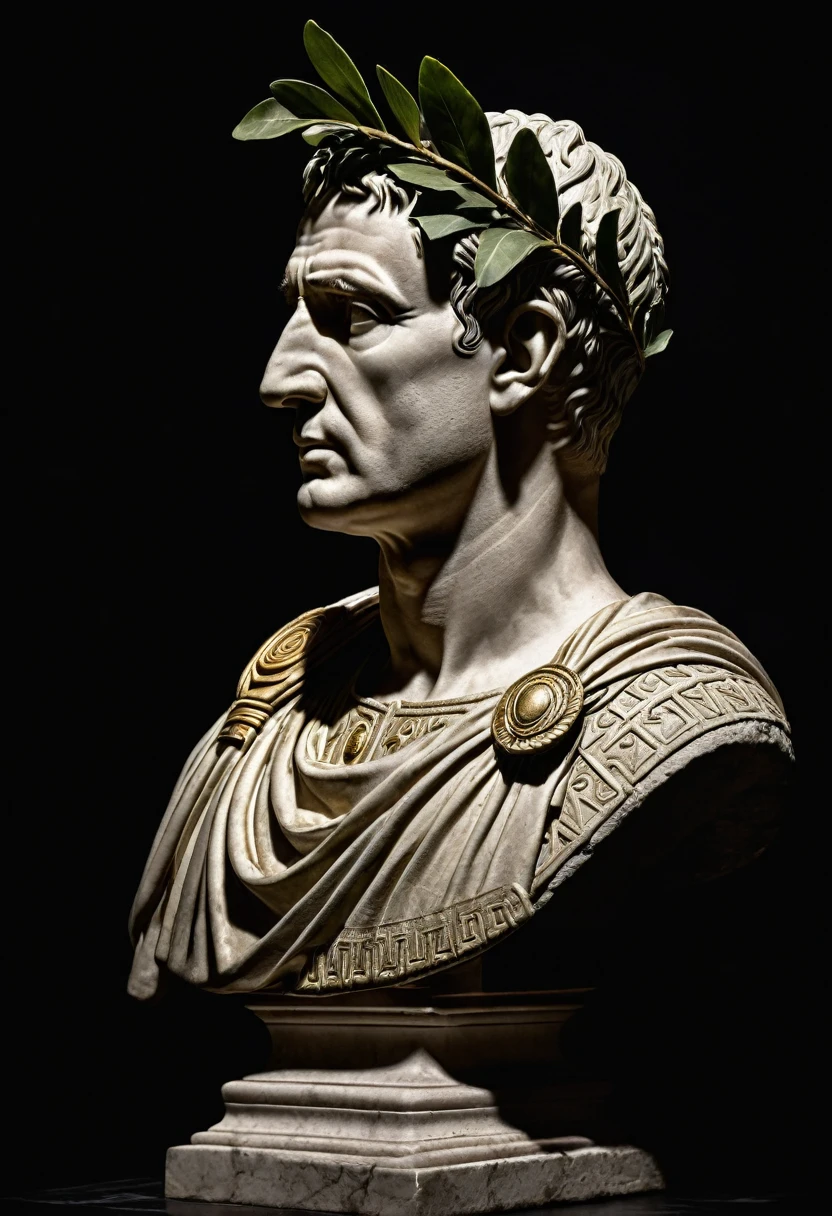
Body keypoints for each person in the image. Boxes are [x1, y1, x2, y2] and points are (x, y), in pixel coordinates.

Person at [128, 111, 791, 1001]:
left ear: (524, 350)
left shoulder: (673, 718)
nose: (279, 380)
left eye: (351, 317)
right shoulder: (269, 724)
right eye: (293, 314)